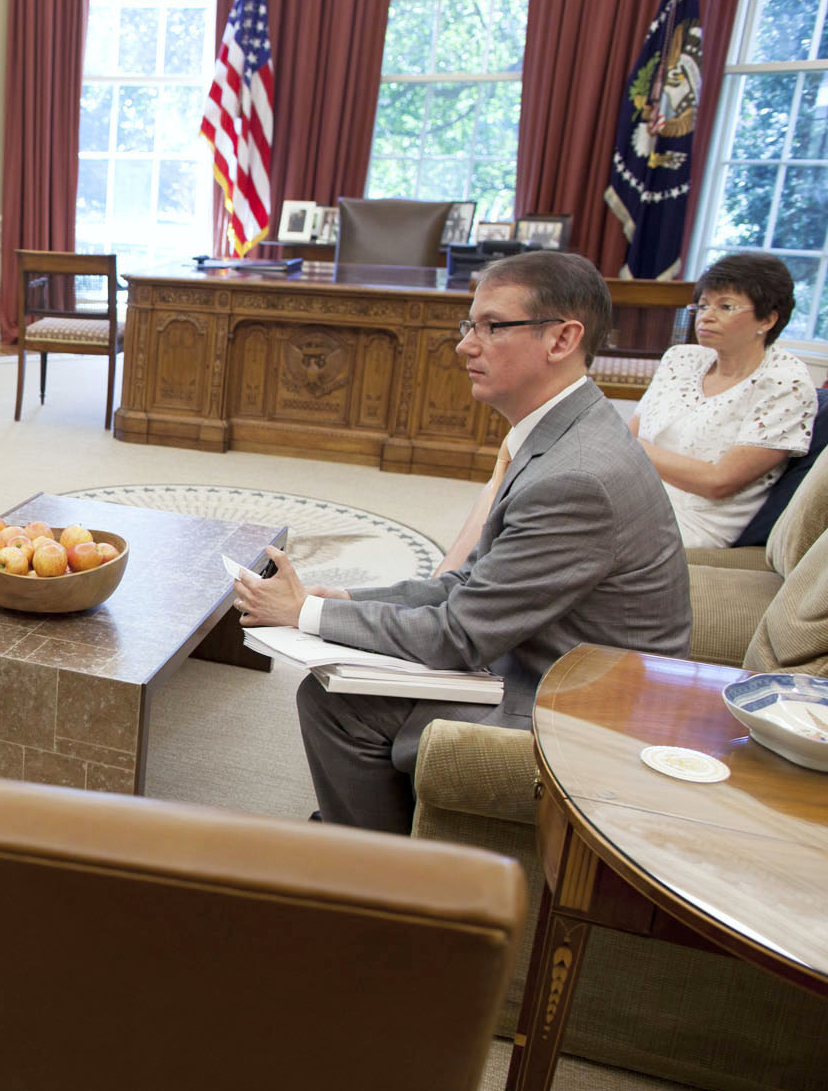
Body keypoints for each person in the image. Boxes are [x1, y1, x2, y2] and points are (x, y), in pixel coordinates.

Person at [232, 250, 692, 834]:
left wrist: (307, 613)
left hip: (583, 710)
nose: (465, 345)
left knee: (336, 702)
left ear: (563, 339)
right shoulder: (568, 430)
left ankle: (378, 875)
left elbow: (461, 634)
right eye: (468, 324)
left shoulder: (577, 475)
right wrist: (345, 601)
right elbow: (465, 583)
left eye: (492, 326)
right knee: (347, 666)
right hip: (550, 662)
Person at [629, 252, 816, 549]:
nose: (706, 316)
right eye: (702, 305)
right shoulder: (681, 358)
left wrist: (630, 448)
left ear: (767, 319)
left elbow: (718, 482)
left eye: (725, 306)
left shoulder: (784, 383)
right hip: (633, 492)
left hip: (693, 523)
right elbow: (631, 436)